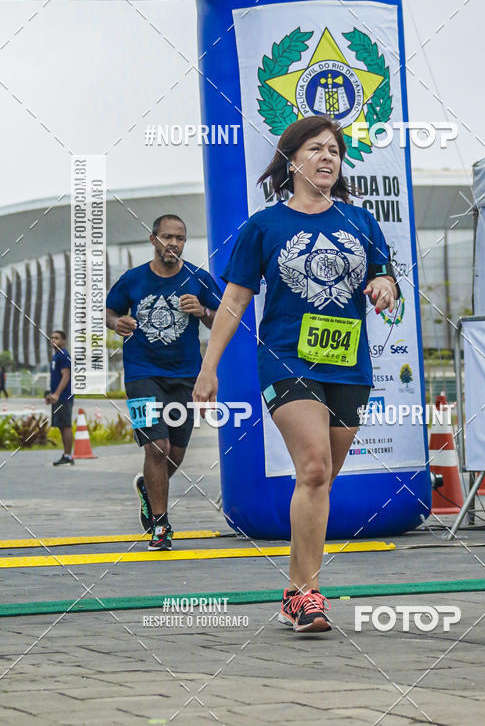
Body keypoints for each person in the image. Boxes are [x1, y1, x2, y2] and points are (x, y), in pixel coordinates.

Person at [193, 115, 399, 633]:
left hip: (349, 365)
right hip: (289, 359)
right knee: (311, 469)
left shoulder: (360, 221)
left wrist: (385, 285)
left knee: (323, 477)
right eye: (317, 149)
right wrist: (207, 368)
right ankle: (308, 595)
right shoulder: (264, 226)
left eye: (335, 150)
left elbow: (383, 272)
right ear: (292, 160)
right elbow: (236, 299)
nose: (328, 157)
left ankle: (294, 591)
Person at [106, 214, 222, 551]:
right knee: (157, 447)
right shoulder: (133, 280)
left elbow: (224, 320)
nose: (173, 243)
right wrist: (117, 323)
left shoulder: (198, 279)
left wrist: (202, 311)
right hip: (142, 373)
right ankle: (161, 524)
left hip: (185, 376)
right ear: (153, 239)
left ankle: (147, 487)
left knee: (176, 452)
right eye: (167, 237)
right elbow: (109, 311)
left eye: (180, 238)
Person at [45, 330, 74, 466]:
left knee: (66, 425)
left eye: (56, 338)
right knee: (62, 426)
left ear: (63, 341)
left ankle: (68, 456)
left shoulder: (63, 355)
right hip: (58, 396)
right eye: (51, 338)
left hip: (64, 396)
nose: (53, 340)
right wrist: (51, 395)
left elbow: (66, 376)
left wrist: (57, 394)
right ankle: (66, 454)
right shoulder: (56, 356)